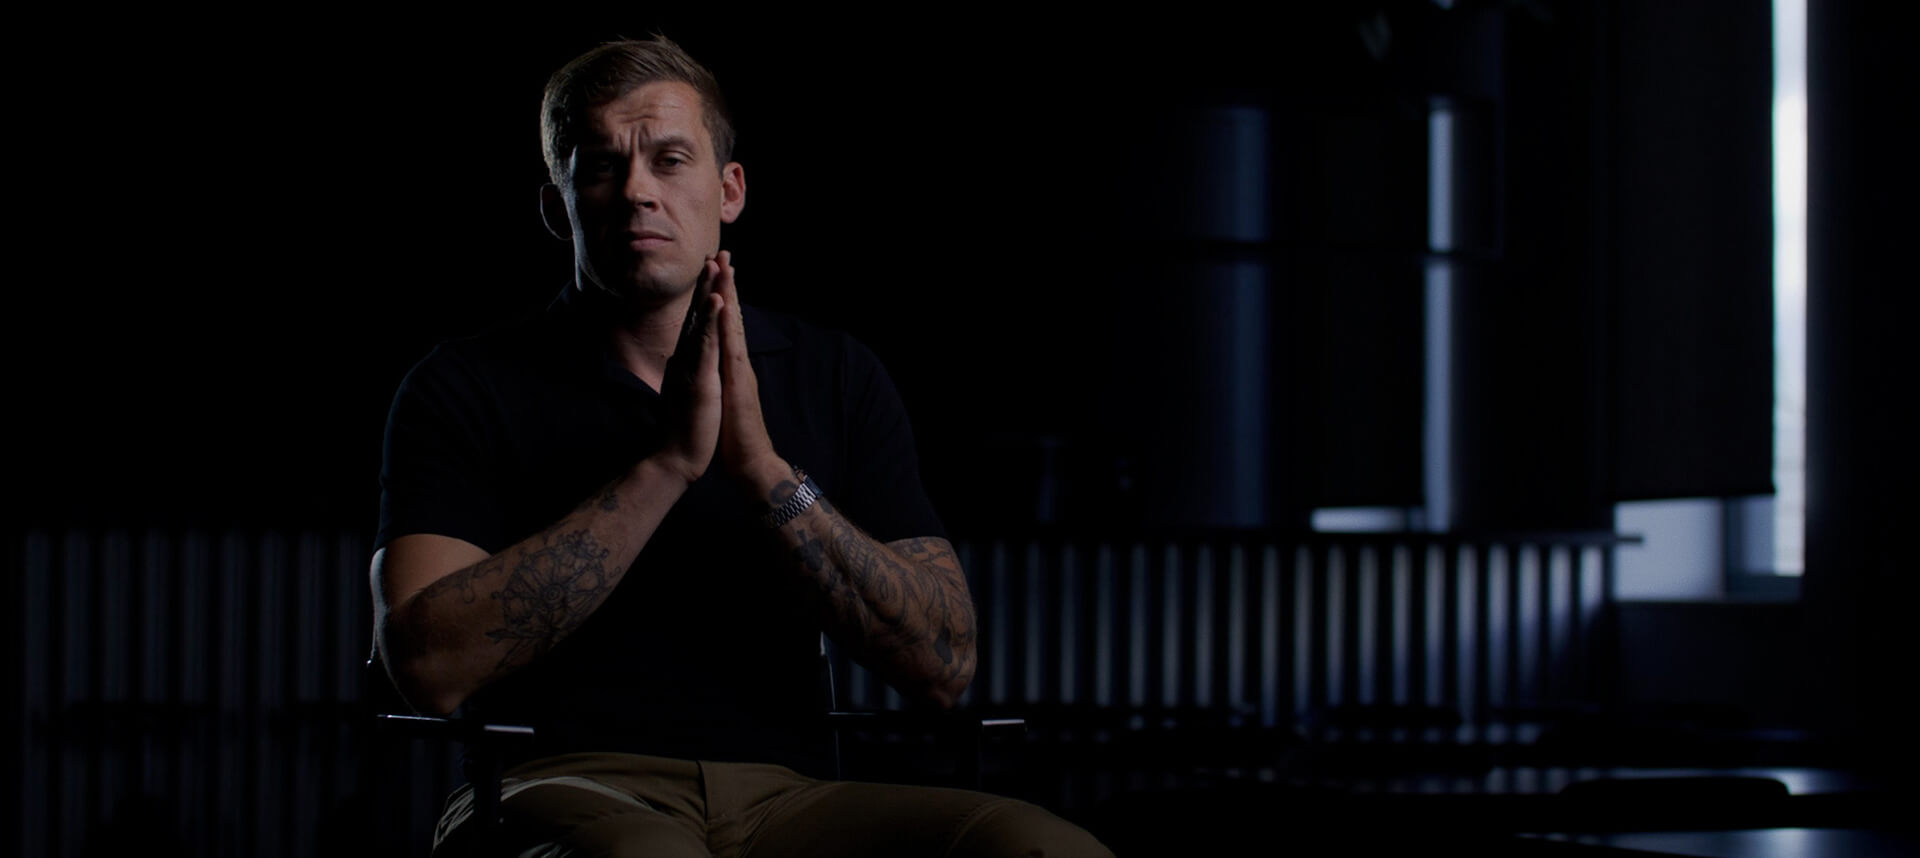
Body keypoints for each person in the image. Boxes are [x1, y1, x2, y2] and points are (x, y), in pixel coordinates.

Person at [370, 35, 1111, 857]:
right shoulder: (466, 385)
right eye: (602, 166)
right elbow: (428, 670)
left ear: (730, 191)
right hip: (556, 785)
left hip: (786, 798)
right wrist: (668, 467)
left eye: (671, 160)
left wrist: (762, 470)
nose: (638, 193)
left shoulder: (835, 374)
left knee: (1041, 847)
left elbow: (945, 662)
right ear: (559, 207)